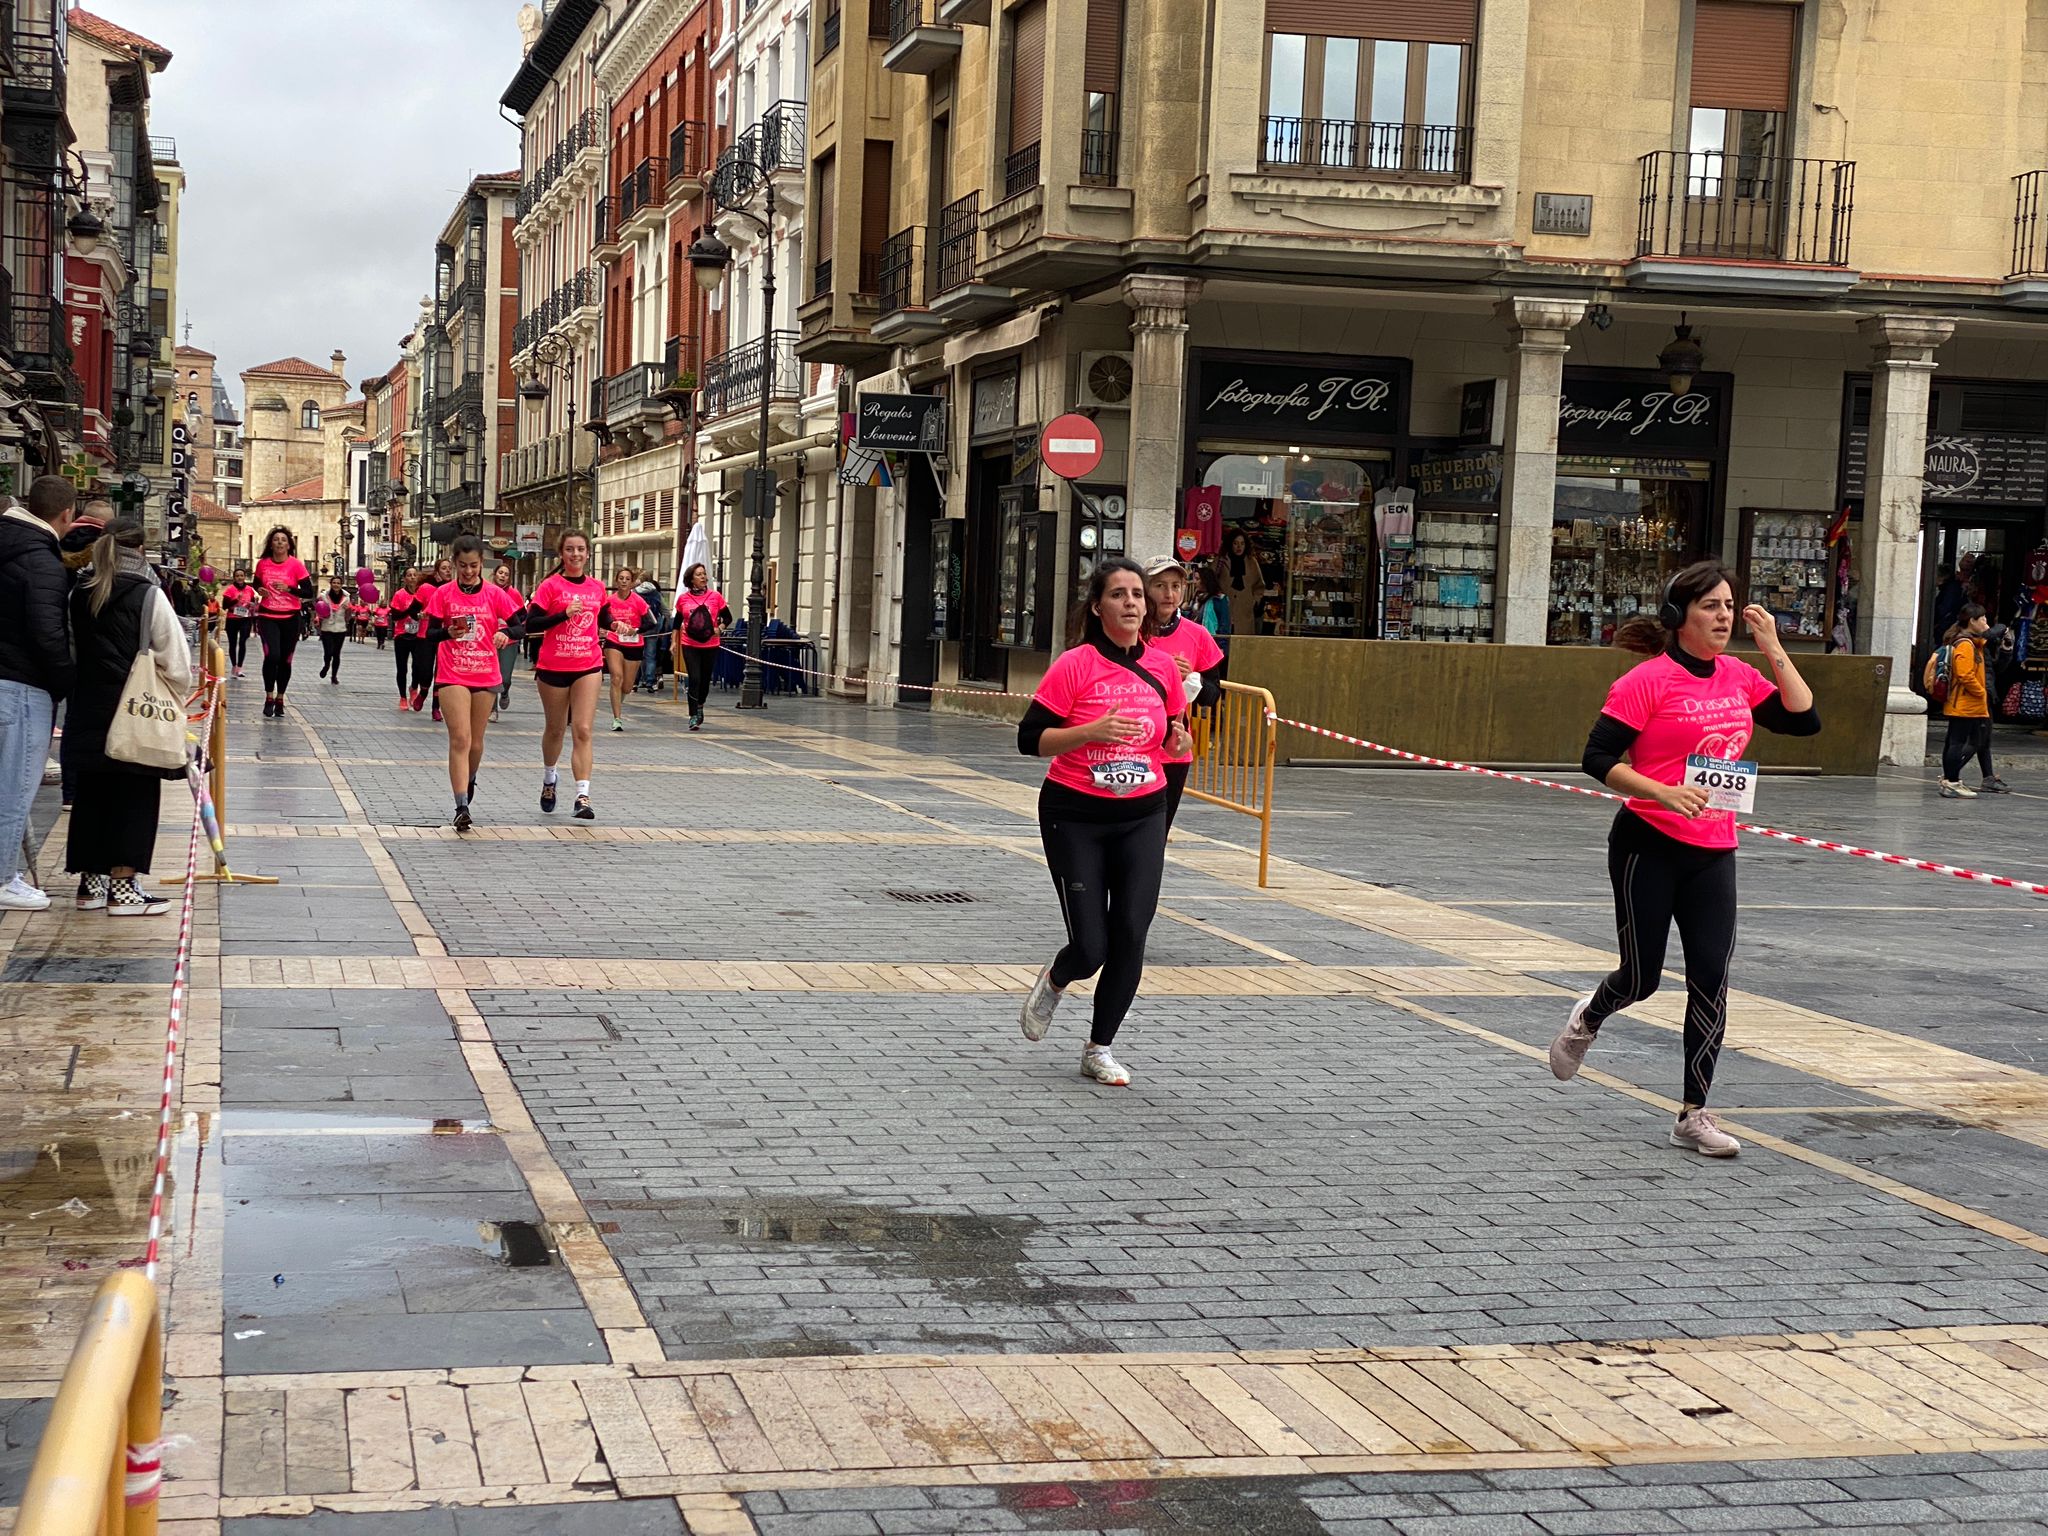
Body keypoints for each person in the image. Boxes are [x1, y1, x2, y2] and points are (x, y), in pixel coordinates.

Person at [1549, 560, 1821, 1158]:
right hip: (1648, 841)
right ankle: (1590, 1016)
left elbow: (1805, 721)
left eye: (1730, 606)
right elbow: (1597, 759)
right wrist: (1661, 790)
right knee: (1642, 977)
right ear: (1679, 617)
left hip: (1714, 848)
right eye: (1711, 607)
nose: (1724, 616)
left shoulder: (1740, 676)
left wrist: (1774, 646)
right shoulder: (1647, 680)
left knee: (1711, 980)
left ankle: (1694, 1114)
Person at [1015, 557, 1190, 1087]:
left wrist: (1178, 742)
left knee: (1131, 933)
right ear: (1098, 606)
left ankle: (1099, 1048)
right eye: (1119, 594)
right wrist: (1090, 731)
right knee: (1092, 945)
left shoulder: (1162, 668)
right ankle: (1058, 977)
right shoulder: (1075, 664)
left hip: (1142, 813)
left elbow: (1173, 736)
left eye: (1138, 594)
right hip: (1076, 814)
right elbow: (1029, 739)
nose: (1133, 602)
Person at [64, 517, 192, 916]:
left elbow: (68, 649)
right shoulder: (147, 594)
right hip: (134, 709)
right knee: (134, 796)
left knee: (91, 795)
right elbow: (178, 662)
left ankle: (91, 884)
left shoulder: (78, 591)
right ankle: (125, 886)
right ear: (140, 549)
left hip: (87, 706)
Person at [0, 476, 78, 910]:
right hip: (23, 686)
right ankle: (3, 879)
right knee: (15, 786)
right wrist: (65, 681)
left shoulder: (7, 544)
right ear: (66, 515)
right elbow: (48, 634)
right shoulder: (41, 561)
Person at [424, 535, 524, 831]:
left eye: (474, 566)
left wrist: (507, 634)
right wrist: (447, 634)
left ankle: (470, 778)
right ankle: (461, 805)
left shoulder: (494, 594)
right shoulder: (443, 594)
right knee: (460, 738)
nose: (468, 571)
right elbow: (428, 634)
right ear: (454, 563)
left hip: (485, 672)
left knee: (477, 743)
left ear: (482, 564)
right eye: (463, 565)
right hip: (452, 672)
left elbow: (523, 622)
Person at [525, 530, 606, 819]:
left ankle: (582, 796)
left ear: (587, 554)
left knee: (582, 729)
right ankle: (549, 780)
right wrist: (563, 614)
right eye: (569, 549)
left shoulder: (597, 587)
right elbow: (531, 622)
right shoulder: (550, 586)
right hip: (553, 666)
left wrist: (620, 626)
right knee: (556, 729)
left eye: (580, 549)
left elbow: (604, 618)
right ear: (562, 553)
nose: (575, 554)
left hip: (588, 664)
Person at [1142, 555, 1225, 827]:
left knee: (1156, 835)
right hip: (1130, 747)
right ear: (1144, 589)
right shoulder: (1128, 632)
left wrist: (1191, 679)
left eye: (1175, 586)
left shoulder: (1197, 635)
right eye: (1160, 586)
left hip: (1173, 749)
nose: (1169, 594)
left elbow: (1212, 696)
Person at [1937, 603, 2012, 799]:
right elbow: (1965, 674)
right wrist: (1980, 692)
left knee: (1965, 740)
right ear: (1972, 621)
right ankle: (1950, 780)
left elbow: (1990, 666)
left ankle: (1954, 780)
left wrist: (2005, 649)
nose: (1987, 624)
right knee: (1965, 741)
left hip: (1968, 699)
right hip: (1967, 701)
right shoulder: (1965, 644)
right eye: (1983, 619)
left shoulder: (1974, 644)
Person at [253, 526, 315, 718]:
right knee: (272, 656)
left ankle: (280, 697)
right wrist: (260, 590)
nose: (279, 542)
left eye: (283, 540)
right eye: (276, 540)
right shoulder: (263, 564)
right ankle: (269, 696)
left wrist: (289, 588)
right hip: (267, 616)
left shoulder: (296, 565)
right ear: (271, 545)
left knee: (285, 660)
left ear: (289, 545)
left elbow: (308, 592)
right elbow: (256, 583)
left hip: (290, 617)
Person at [674, 562, 730, 730]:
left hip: (710, 644)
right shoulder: (683, 599)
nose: (703, 577)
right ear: (691, 580)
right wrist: (672, 642)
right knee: (695, 678)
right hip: (689, 643)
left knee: (705, 680)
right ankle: (692, 715)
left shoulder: (715, 597)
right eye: (699, 575)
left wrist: (719, 629)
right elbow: (676, 623)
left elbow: (727, 618)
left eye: (704, 574)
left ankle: (700, 705)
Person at [600, 566, 654, 732]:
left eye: (627, 579)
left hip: (634, 643)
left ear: (632, 583)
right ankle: (617, 718)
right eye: (621, 578)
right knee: (616, 677)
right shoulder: (609, 600)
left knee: (627, 686)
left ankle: (618, 702)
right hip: (614, 641)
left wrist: (635, 630)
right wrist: (607, 628)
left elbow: (651, 623)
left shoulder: (638, 601)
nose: (624, 581)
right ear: (616, 581)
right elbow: (601, 618)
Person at [390, 568, 431, 710]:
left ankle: (414, 688)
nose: (412, 578)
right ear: (404, 579)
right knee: (402, 668)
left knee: (418, 667)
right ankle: (402, 697)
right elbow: (394, 617)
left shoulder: (424, 592)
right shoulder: (399, 595)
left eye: (415, 575)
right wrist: (410, 611)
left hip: (419, 635)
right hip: (402, 634)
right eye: (409, 575)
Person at [422, 556, 454, 723]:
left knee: (440, 674)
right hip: (430, 634)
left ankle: (436, 707)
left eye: (450, 568)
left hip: (447, 637)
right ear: (437, 572)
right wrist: (419, 614)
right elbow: (415, 608)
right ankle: (423, 691)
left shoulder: (455, 590)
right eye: (444, 568)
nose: (448, 571)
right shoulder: (429, 588)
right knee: (426, 672)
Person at [1220, 527, 1267, 638]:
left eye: (1242, 543)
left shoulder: (1251, 562)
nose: (1239, 547)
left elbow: (1259, 585)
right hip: (1224, 608)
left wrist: (1254, 600)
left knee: (1243, 645)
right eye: (1235, 543)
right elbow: (1212, 581)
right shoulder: (1222, 561)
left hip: (1245, 611)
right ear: (1230, 544)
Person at [491, 562, 524, 716]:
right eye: (500, 573)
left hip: (509, 640)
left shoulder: (514, 594)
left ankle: (505, 692)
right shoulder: (488, 591)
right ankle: (492, 709)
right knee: (492, 676)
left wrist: (512, 627)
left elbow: (524, 615)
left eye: (506, 574)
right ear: (495, 574)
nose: (503, 576)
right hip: (490, 640)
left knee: (505, 678)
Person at [218, 568, 257, 678]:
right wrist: (236, 600)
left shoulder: (249, 589)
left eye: (242, 575)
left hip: (245, 618)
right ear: (234, 578)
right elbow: (225, 606)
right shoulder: (230, 589)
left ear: (244, 577)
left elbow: (253, 602)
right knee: (233, 643)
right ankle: (234, 666)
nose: (240, 578)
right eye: (237, 576)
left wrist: (252, 604)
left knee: (243, 642)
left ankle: (240, 667)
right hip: (232, 618)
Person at [633, 570, 665, 693]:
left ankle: (635, 682)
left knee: (637, 655)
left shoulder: (634, 592)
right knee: (650, 656)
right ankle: (650, 682)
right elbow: (665, 610)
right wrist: (664, 625)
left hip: (638, 627)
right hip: (653, 627)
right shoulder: (656, 593)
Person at [315, 581, 351, 684]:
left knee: (336, 654)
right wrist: (318, 618)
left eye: (338, 583)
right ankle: (326, 666)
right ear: (330, 584)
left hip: (340, 628)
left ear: (341, 585)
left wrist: (348, 610)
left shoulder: (346, 597)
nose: (336, 585)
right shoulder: (324, 596)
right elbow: (318, 608)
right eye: (334, 583)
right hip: (327, 627)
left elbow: (348, 616)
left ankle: (334, 676)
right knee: (328, 652)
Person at [1193, 562, 1232, 641]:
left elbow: (1224, 624)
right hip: (1196, 639)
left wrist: (1222, 646)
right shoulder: (1197, 597)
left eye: (1197, 579)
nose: (1194, 582)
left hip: (1213, 640)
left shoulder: (1219, 599)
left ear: (1205, 580)